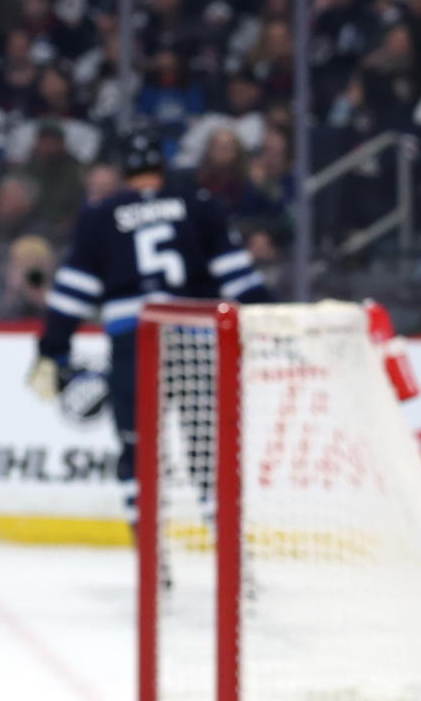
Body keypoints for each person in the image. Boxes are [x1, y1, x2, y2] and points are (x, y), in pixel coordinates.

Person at [26, 129, 274, 523]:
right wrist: (273, 322)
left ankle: (150, 560)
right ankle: (225, 545)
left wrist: (52, 349)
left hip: (135, 342)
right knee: (205, 440)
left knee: (136, 447)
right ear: (163, 164)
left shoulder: (101, 215)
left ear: (125, 169)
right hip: (195, 339)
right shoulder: (198, 205)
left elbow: (73, 293)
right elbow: (239, 278)